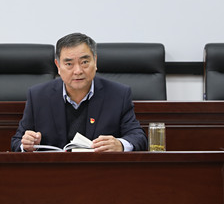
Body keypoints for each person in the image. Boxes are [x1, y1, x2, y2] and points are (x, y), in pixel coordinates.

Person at [11, 32, 147, 152]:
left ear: (95, 61)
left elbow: (138, 137)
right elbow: (17, 141)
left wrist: (120, 145)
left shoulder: (118, 94)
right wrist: (27, 145)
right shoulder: (38, 96)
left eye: (84, 62)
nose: (78, 71)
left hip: (100, 170)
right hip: (53, 171)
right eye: (69, 64)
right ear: (58, 66)